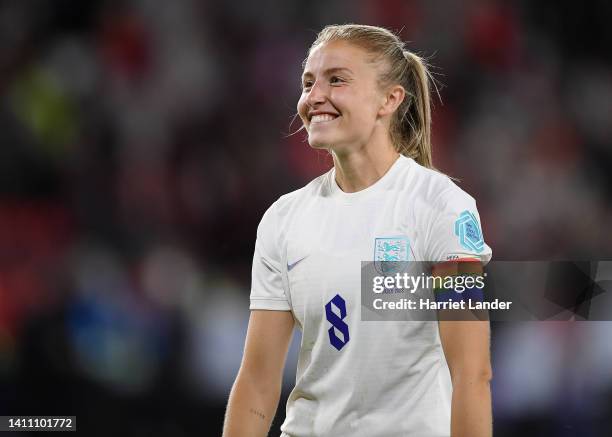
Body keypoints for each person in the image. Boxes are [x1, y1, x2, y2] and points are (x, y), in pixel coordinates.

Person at [223, 24, 493, 437]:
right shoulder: (283, 219)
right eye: (308, 82)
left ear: (390, 99)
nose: (314, 97)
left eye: (337, 80)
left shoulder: (442, 207)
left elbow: (472, 374)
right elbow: (258, 382)